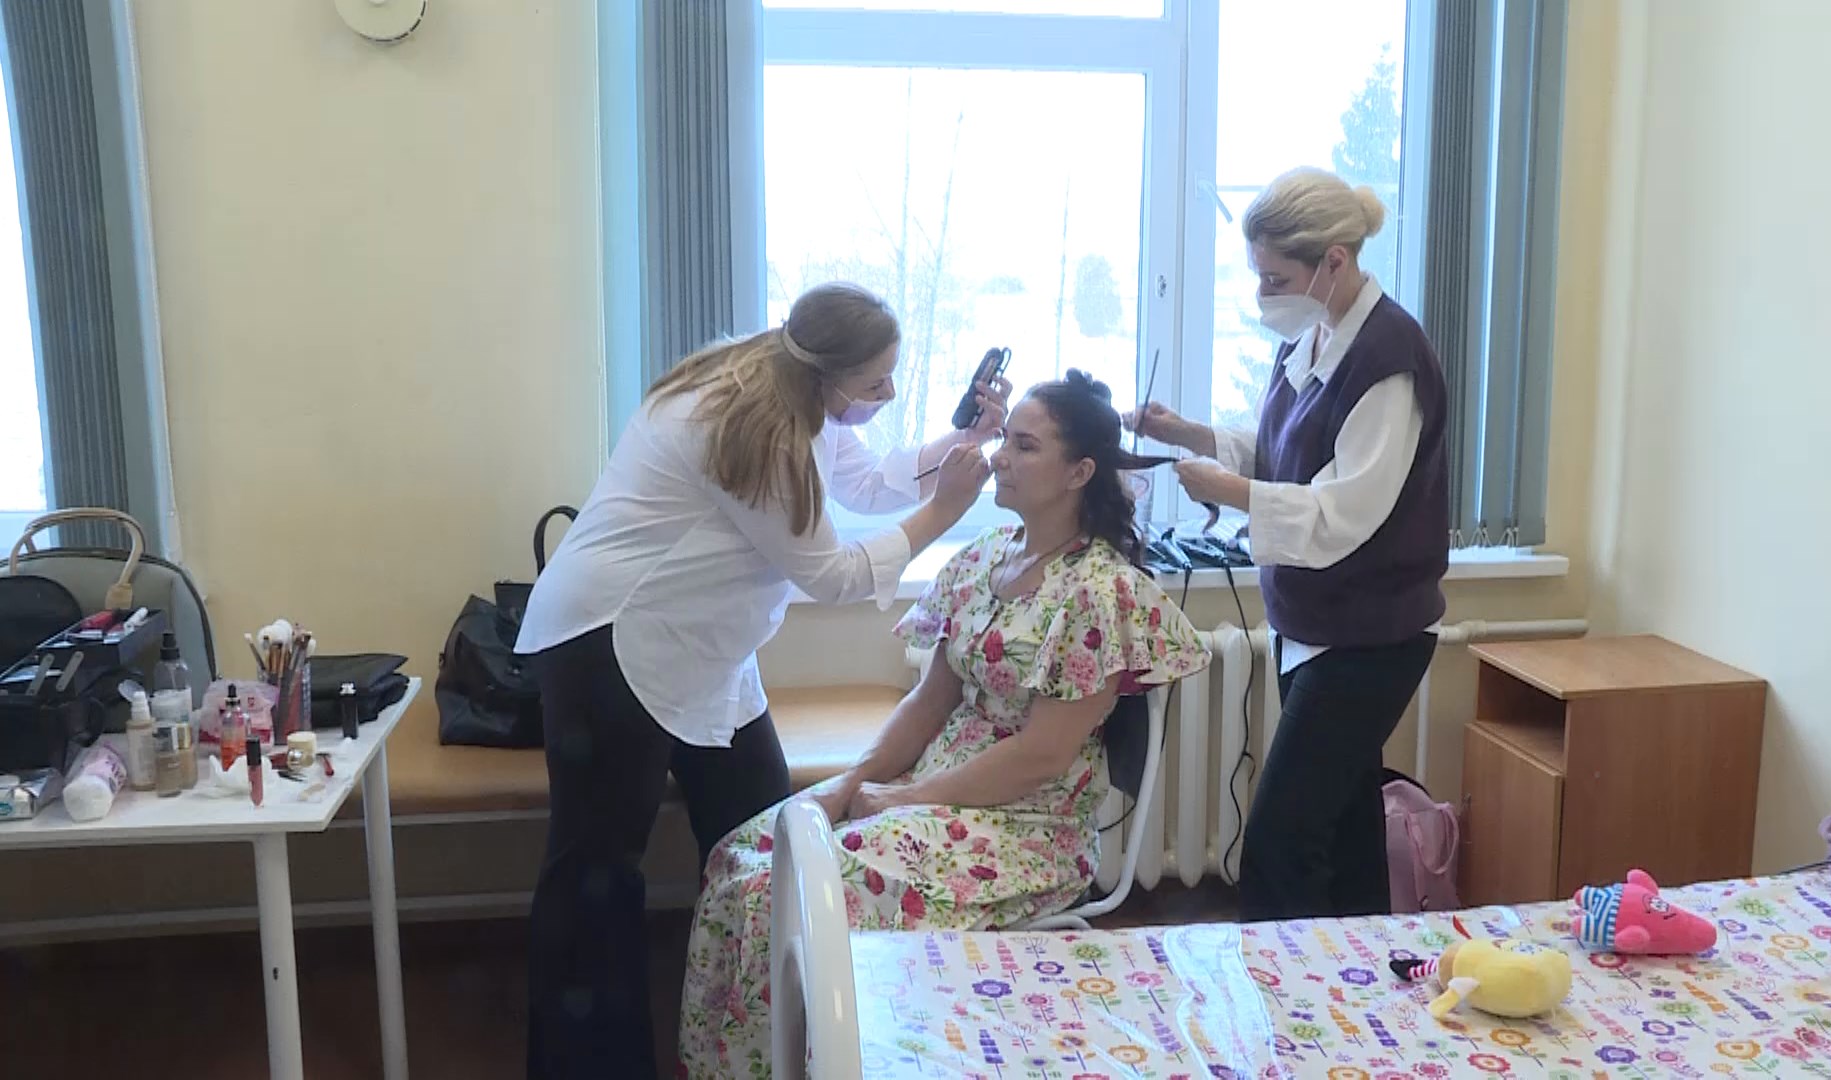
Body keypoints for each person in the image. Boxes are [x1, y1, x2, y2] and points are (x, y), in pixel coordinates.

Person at [513, 282, 1006, 1079]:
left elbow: (865, 482)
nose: (887, 394)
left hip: (703, 651)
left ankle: (758, 1045)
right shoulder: (751, 424)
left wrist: (957, 446)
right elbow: (835, 576)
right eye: (876, 381)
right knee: (595, 875)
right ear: (827, 373)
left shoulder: (789, 386)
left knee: (769, 837)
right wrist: (944, 512)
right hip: (613, 642)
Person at [678, 371, 1212, 1078]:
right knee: (741, 859)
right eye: (1005, 440)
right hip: (932, 795)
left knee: (786, 895)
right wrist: (851, 782)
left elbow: (1042, 756)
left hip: (1025, 830)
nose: (998, 457)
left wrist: (905, 799)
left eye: (1025, 447)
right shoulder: (983, 559)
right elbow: (929, 702)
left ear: (1080, 472)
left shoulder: (1102, 592)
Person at [1128, 166, 1449, 922]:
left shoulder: (1388, 361)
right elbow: (1285, 451)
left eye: (1276, 278)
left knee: (1280, 841)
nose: (1263, 294)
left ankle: (1285, 990)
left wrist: (1230, 492)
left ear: (1334, 260)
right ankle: (1364, 977)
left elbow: (1341, 511)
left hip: (1370, 638)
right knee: (1346, 828)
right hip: (1312, 627)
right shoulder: (1313, 338)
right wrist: (1190, 435)